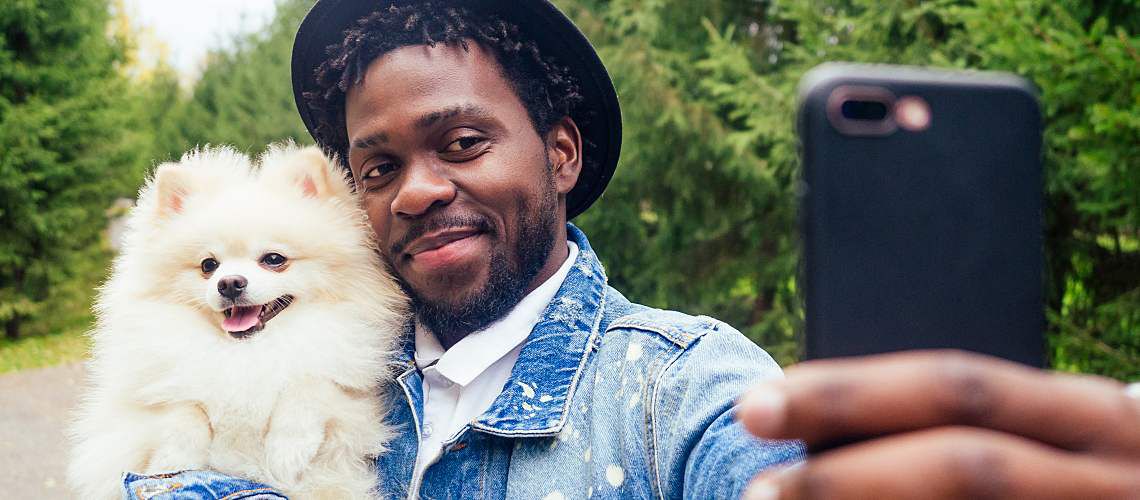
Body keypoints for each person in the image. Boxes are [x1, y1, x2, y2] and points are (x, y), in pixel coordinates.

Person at [125, 1, 1140, 498]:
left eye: (463, 141)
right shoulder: (302, 359)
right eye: (378, 166)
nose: (420, 187)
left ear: (559, 151)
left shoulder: (686, 390)